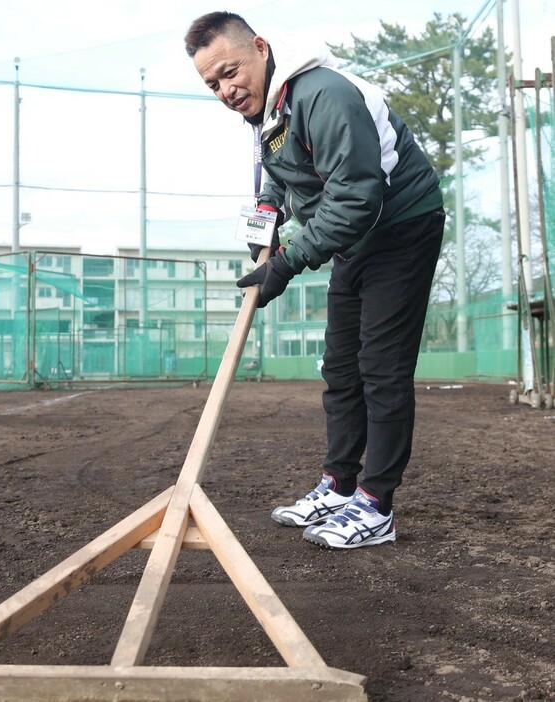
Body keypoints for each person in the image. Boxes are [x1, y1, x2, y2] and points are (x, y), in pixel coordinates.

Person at [184, 12, 445, 549]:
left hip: (399, 224)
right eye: (212, 84)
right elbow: (279, 176)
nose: (226, 90)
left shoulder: (323, 95)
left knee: (381, 367)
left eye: (230, 72)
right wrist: (265, 215)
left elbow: (355, 197)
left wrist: (284, 262)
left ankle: (376, 507)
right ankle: (339, 485)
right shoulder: (268, 112)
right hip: (355, 235)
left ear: (259, 47)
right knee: (341, 367)